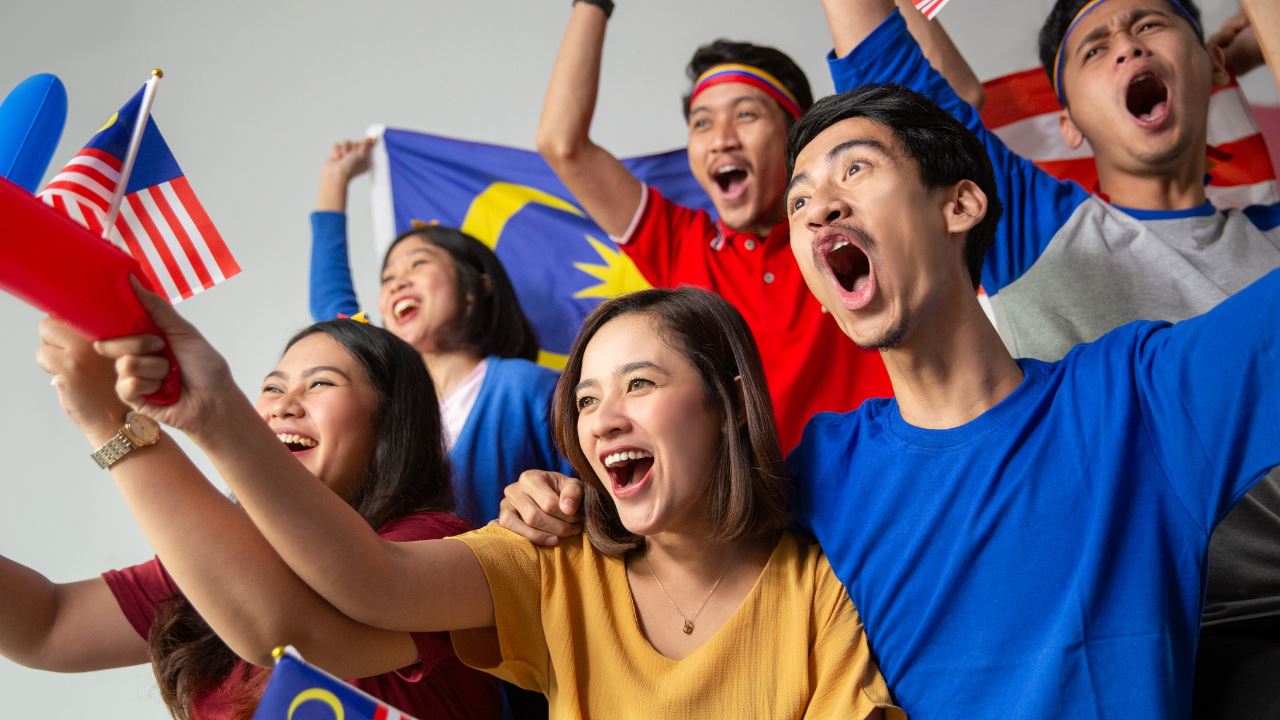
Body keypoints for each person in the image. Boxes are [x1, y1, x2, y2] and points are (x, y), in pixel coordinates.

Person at [499, 84, 1280, 719]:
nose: (819, 209)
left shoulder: (1138, 401)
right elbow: (668, 529)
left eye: (855, 170)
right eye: (800, 201)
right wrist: (560, 501)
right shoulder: (814, 474)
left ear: (960, 205)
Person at [94, 281, 903, 720]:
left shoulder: (816, 586)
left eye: (640, 384)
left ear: (726, 402)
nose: (604, 418)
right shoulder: (554, 559)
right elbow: (368, 582)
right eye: (586, 399)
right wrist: (215, 417)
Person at [820, 1, 1280, 714]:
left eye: (1150, 25)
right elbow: (881, 61)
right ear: (1067, 121)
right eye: (1094, 48)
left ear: (1212, 65)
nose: (1127, 47)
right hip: (1196, 634)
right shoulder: (1037, 224)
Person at [534, 0, 985, 449]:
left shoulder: (848, 224)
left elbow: (951, 113)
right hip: (759, 496)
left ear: (797, 137)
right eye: (702, 123)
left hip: (894, 469)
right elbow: (562, 144)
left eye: (746, 114)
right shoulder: (679, 242)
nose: (721, 139)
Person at [15, 316, 501, 719]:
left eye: (321, 383)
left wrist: (114, 426)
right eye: (272, 387)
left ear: (392, 423)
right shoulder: (227, 552)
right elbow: (49, 626)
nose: (283, 406)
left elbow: (285, 634)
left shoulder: (434, 545)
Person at [311, 141, 571, 527]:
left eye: (418, 264)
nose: (398, 283)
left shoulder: (529, 388)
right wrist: (335, 179)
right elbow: (330, 308)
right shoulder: (386, 396)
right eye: (388, 278)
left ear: (475, 287)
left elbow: (592, 502)